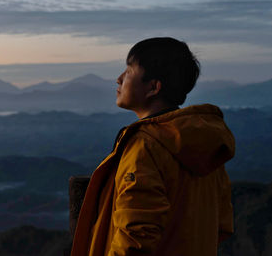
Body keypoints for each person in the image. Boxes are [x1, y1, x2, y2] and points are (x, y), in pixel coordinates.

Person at [71, 37, 235, 256]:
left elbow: (136, 235)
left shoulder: (146, 145)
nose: (119, 79)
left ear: (153, 87)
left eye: (129, 71)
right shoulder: (207, 147)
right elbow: (222, 225)